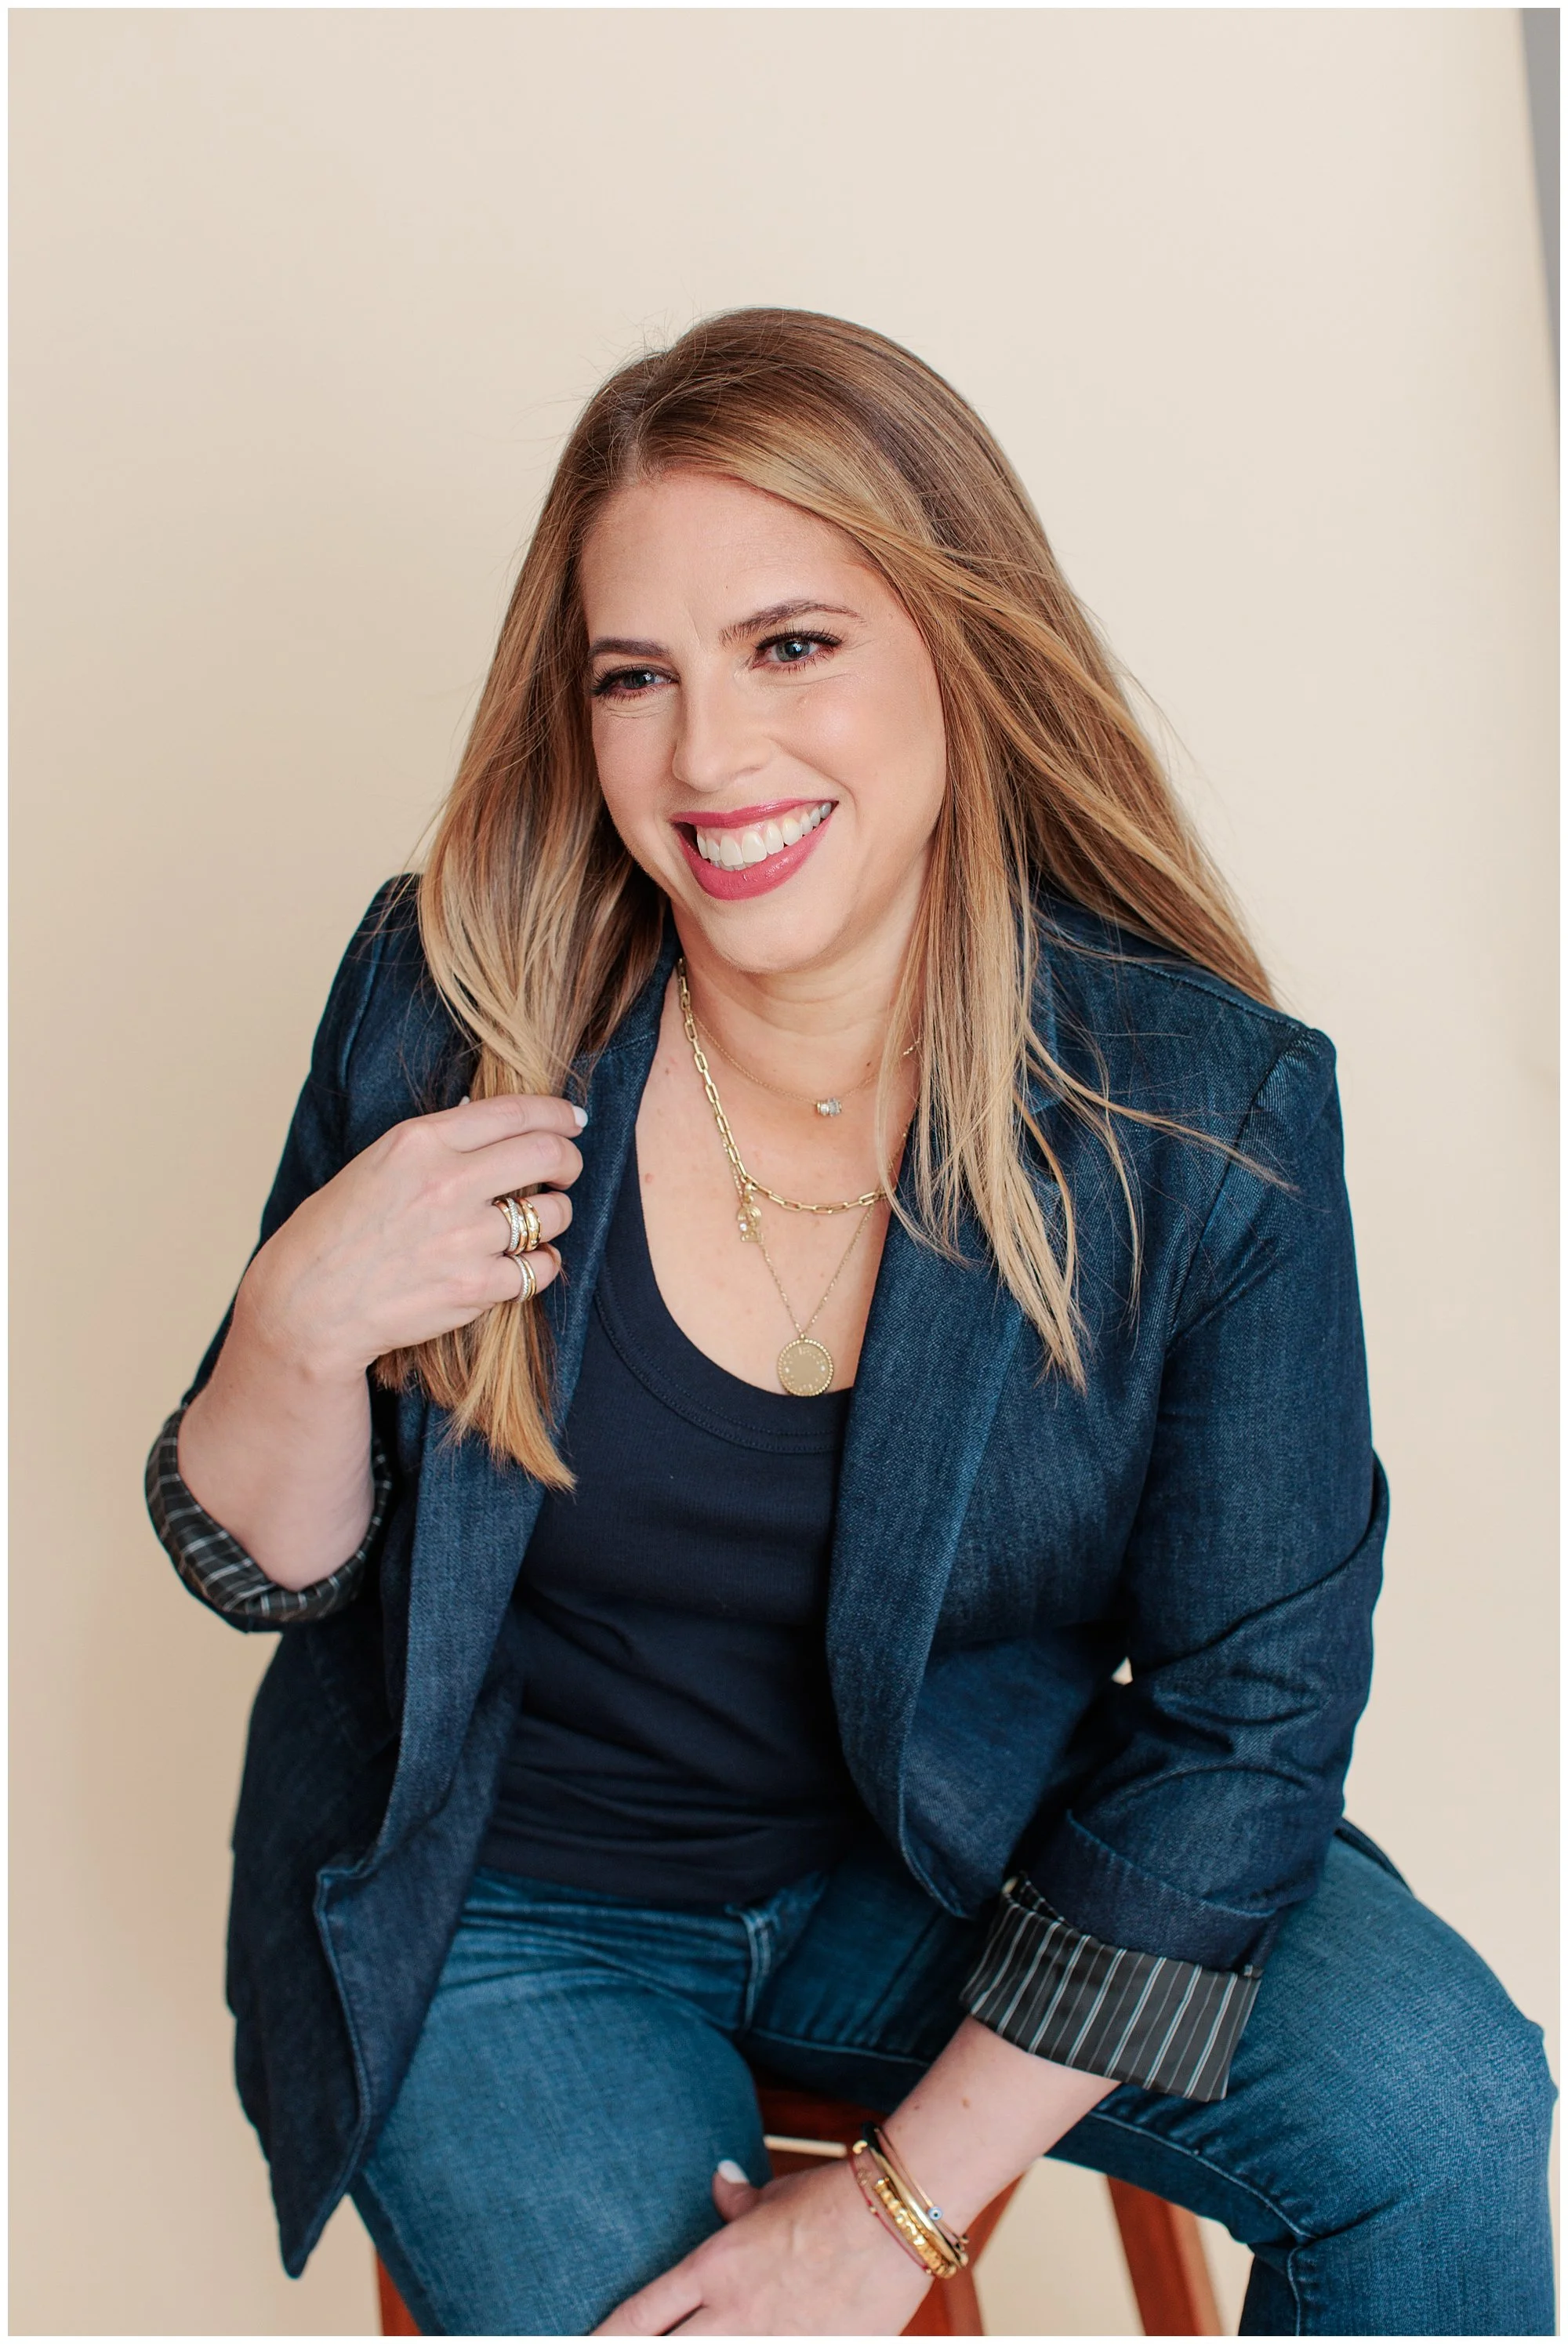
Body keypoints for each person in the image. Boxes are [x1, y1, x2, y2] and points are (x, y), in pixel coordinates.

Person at [147, 308, 1552, 2339]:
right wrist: (292, 1326)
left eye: (790, 645)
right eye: (637, 675)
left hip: (970, 1854)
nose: (708, 756)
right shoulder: (457, 989)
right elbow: (264, 1573)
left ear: (959, 654)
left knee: (1442, 2104)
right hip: (518, 1910)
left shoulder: (1196, 1120)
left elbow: (1249, 1718)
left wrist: (896, 2212)